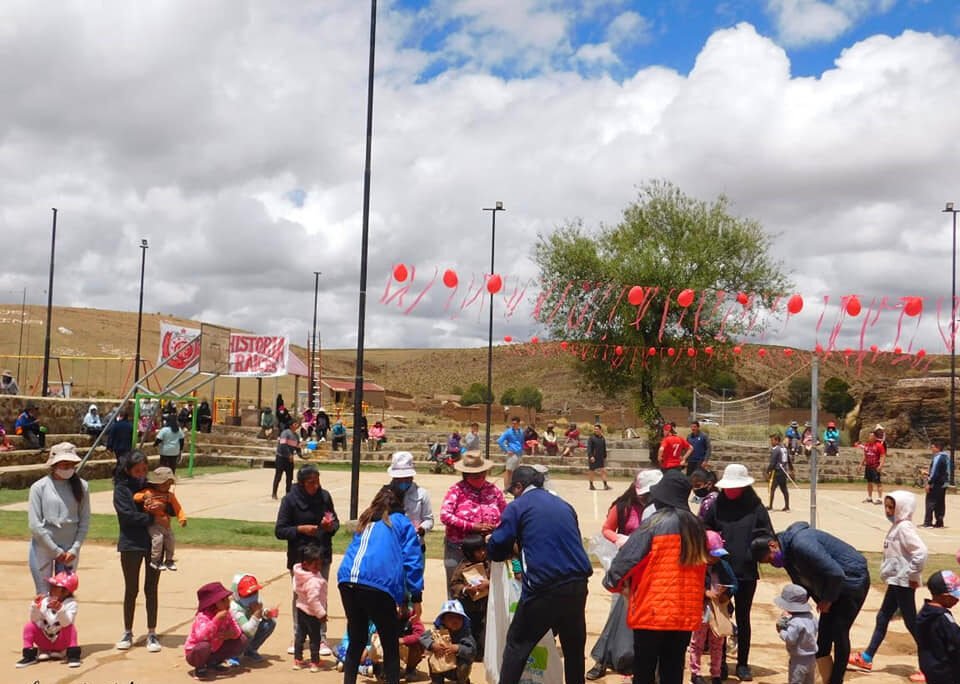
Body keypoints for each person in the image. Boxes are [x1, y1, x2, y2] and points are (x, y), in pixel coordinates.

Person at [488, 465, 593, 684]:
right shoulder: (564, 505)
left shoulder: (518, 506)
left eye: (513, 490)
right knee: (573, 649)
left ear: (519, 486)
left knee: (517, 645)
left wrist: (494, 546)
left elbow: (498, 546)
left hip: (544, 587)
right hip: (577, 584)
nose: (513, 495)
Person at [603, 469, 708, 684]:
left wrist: (612, 582)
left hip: (652, 611)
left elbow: (627, 560)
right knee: (673, 668)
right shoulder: (697, 527)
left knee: (644, 668)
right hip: (684, 613)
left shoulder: (654, 524)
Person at [752, 522, 870, 684]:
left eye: (770, 559)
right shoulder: (788, 555)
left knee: (839, 631)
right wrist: (792, 608)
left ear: (772, 545)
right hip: (832, 586)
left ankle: (836, 680)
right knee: (824, 635)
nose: (773, 563)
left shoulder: (802, 544)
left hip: (852, 581)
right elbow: (801, 584)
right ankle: (823, 677)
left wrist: (827, 599)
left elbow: (836, 573)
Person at [337, 486, 424, 684]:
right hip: (377, 583)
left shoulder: (366, 520)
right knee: (389, 642)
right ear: (400, 503)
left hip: (347, 580)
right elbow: (412, 560)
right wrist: (416, 596)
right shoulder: (401, 521)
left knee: (357, 639)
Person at [586, 469, 664, 680]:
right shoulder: (622, 506)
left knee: (647, 620)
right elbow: (607, 529)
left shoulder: (661, 508)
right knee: (617, 613)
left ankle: (639, 662)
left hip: (650, 570)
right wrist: (620, 539)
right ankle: (601, 660)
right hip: (627, 567)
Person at [702, 463, 773, 682]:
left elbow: (768, 534)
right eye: (728, 488)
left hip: (746, 571)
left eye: (734, 487)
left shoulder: (756, 507)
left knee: (743, 617)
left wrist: (757, 546)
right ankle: (720, 662)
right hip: (721, 571)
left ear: (743, 487)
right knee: (721, 616)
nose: (730, 491)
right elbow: (704, 528)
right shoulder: (717, 505)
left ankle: (742, 663)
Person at [849, 490, 927, 680]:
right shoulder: (897, 526)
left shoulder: (904, 528)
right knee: (883, 616)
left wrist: (911, 574)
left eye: (892, 507)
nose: (888, 511)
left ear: (903, 508)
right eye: (886, 507)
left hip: (903, 582)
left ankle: (931, 664)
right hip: (896, 581)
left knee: (911, 622)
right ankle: (867, 657)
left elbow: (921, 552)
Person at [275, 464, 339, 656]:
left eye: (318, 481)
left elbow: (335, 522)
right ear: (302, 483)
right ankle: (298, 636)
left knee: (320, 594)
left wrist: (330, 526)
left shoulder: (324, 497)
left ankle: (321, 638)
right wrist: (300, 529)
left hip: (321, 555)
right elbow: (280, 530)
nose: (316, 486)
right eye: (312, 482)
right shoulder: (290, 500)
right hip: (300, 557)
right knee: (300, 596)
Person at [113, 450, 164, 653]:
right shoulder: (121, 490)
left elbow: (166, 506)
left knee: (151, 588)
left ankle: (152, 632)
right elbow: (127, 517)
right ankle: (127, 631)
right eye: (137, 471)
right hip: (131, 544)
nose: (142, 474)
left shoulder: (151, 487)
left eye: (144, 470)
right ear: (128, 470)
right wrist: (152, 518)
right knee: (131, 589)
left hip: (153, 544)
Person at [27, 443, 90, 594]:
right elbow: (35, 525)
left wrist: (74, 549)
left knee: (64, 595)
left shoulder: (82, 487)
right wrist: (56, 551)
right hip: (43, 547)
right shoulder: (39, 487)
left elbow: (84, 521)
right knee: (43, 594)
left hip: (70, 550)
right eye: (64, 464)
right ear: (54, 464)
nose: (68, 468)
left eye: (71, 464)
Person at [440, 453, 506, 590]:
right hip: (459, 547)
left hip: (486, 547)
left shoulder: (494, 491)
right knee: (457, 585)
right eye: (475, 477)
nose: (480, 479)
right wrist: (471, 526)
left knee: (486, 587)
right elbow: (445, 515)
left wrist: (494, 528)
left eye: (482, 475)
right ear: (466, 475)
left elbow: (506, 514)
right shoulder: (456, 491)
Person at [689, 531, 737, 684]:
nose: (716, 558)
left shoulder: (723, 565)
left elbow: (734, 584)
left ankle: (716, 674)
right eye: (713, 555)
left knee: (718, 643)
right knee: (697, 642)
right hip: (701, 609)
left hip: (719, 610)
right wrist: (704, 592)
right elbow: (689, 584)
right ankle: (695, 673)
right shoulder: (695, 565)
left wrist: (727, 594)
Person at [16, 570, 82, 669]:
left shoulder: (71, 604)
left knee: (71, 628)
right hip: (45, 641)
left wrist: (60, 610)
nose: (51, 588)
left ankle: (73, 655)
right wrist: (35, 607)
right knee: (29, 626)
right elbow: (34, 619)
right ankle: (30, 656)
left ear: (66, 591)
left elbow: (66, 623)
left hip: (61, 642)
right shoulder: (45, 601)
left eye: (56, 587)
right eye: (52, 585)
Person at [184, 581, 247, 679]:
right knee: (204, 646)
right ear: (213, 604)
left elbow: (237, 630)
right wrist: (216, 620)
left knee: (242, 639)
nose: (228, 602)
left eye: (227, 599)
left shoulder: (227, 614)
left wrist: (231, 634)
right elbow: (202, 637)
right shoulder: (203, 617)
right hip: (195, 654)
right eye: (223, 600)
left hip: (214, 649)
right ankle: (199, 667)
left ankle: (213, 663)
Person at [133, 466, 187, 571]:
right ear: (156, 483)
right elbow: (135, 496)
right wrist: (144, 497)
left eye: (169, 484)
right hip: (154, 524)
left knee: (171, 540)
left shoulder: (170, 496)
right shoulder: (149, 492)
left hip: (166, 524)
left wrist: (182, 518)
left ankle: (169, 560)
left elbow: (177, 508)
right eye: (164, 484)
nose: (167, 487)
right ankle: (155, 561)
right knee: (158, 539)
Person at [915, 570, 960, 684]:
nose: (957, 600)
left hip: (931, 669)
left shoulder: (924, 613)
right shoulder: (943, 618)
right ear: (945, 596)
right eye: (955, 596)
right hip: (947, 673)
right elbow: (956, 641)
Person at [449, 534, 490, 661]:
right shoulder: (463, 567)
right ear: (469, 552)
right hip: (470, 607)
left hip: (487, 606)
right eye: (478, 551)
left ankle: (482, 652)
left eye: (484, 549)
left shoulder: (489, 564)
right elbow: (454, 585)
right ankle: (470, 652)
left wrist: (489, 583)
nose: (482, 553)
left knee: (484, 630)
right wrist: (466, 589)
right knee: (471, 630)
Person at [387, 451, 434, 556]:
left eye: (406, 478)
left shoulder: (422, 494)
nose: (403, 481)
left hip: (415, 545)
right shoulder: (386, 494)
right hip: (392, 546)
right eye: (399, 479)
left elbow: (429, 520)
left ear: (412, 477)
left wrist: (422, 528)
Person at [420, 599, 477, 684]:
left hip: (457, 668)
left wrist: (458, 648)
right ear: (443, 620)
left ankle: (462, 681)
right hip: (441, 665)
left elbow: (472, 650)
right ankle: (437, 681)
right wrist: (432, 645)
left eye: (459, 618)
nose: (455, 620)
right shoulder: (438, 631)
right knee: (431, 659)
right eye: (450, 617)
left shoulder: (465, 634)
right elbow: (423, 637)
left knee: (465, 664)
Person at [292, 544, 329, 671]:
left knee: (300, 636)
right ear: (305, 564)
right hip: (312, 613)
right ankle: (314, 662)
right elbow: (313, 600)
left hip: (300, 608)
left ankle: (298, 660)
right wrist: (321, 614)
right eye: (315, 565)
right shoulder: (313, 581)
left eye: (320, 564)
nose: (319, 567)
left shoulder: (299, 574)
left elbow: (296, 589)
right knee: (315, 638)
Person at [229, 573, 278, 664]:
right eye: (248, 595)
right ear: (237, 594)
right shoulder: (235, 608)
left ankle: (250, 650)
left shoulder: (255, 600)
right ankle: (234, 654)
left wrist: (266, 613)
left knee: (270, 622)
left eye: (254, 592)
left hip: (250, 627)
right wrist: (257, 613)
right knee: (245, 635)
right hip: (237, 635)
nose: (252, 596)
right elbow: (248, 631)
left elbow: (260, 612)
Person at [774, 584, 818, 684]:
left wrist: (781, 631)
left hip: (798, 660)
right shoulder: (812, 617)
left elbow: (790, 639)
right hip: (812, 658)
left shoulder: (795, 622)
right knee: (809, 682)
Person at [923, 438, 950, 528]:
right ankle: (939, 522)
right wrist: (928, 473)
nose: (931, 449)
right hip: (943, 483)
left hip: (936, 484)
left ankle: (928, 522)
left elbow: (935, 473)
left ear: (937, 448)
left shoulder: (938, 458)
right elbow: (943, 471)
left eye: (933, 447)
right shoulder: (946, 457)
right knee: (940, 503)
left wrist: (929, 483)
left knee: (930, 502)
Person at [272, 419, 300, 499]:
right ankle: (274, 493)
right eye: (295, 424)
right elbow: (283, 445)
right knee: (278, 476)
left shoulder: (296, 436)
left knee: (289, 477)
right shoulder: (285, 433)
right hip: (281, 457)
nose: (297, 425)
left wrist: (302, 455)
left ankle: (288, 494)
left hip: (289, 459)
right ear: (291, 425)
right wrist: (289, 455)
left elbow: (297, 447)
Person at [858, 429, 886, 504]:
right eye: (869, 436)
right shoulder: (867, 445)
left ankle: (880, 499)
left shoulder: (879, 445)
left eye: (871, 436)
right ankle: (869, 497)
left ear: (875, 437)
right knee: (869, 482)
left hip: (875, 466)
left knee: (878, 483)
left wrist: (880, 465)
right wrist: (861, 464)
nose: (870, 437)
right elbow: (865, 456)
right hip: (868, 466)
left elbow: (883, 456)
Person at [496, 416, 525, 492]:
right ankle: (506, 488)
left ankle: (512, 487)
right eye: (512, 423)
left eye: (515, 423)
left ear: (518, 423)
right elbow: (499, 441)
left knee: (515, 472)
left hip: (519, 454)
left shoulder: (521, 431)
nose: (513, 425)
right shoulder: (508, 432)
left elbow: (522, 441)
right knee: (508, 471)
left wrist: (522, 449)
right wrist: (506, 450)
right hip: (512, 453)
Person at [766, 433, 793, 511]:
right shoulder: (784, 449)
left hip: (777, 471)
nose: (771, 442)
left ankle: (770, 506)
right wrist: (791, 469)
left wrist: (768, 471)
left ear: (777, 441)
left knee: (772, 488)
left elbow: (772, 462)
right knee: (784, 489)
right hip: (783, 471)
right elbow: (788, 460)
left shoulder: (776, 450)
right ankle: (787, 506)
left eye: (772, 440)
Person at [105, 408, 134, 475]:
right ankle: (120, 473)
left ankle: (118, 473)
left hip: (117, 447)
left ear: (121, 416)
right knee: (123, 461)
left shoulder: (116, 425)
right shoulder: (130, 426)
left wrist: (109, 446)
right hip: (127, 447)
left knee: (120, 460)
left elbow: (111, 436)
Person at [587, 422, 612, 491]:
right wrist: (591, 456)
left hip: (600, 457)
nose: (595, 430)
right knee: (592, 471)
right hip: (593, 457)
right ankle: (591, 485)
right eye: (595, 429)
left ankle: (605, 485)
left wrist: (605, 456)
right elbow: (589, 448)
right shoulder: (591, 438)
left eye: (597, 429)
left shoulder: (602, 438)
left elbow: (604, 448)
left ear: (600, 430)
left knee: (603, 471)